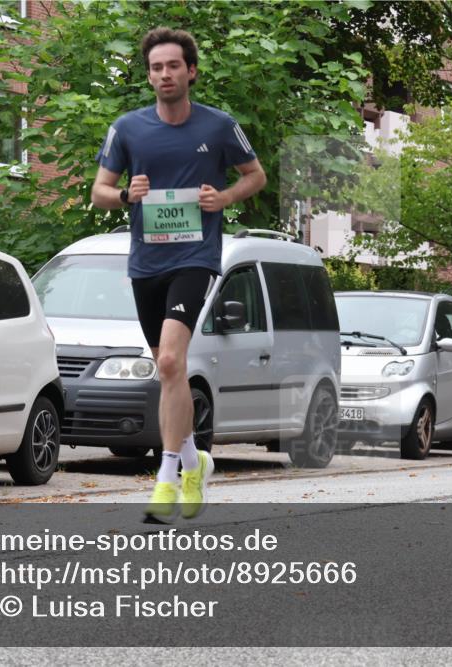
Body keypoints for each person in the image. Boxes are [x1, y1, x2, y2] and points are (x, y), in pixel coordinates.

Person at [91, 27, 267, 521]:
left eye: (173, 66)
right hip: (147, 264)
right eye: (156, 67)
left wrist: (225, 197)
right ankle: (196, 462)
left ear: (190, 71)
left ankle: (166, 477)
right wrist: (128, 195)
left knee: (170, 362)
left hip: (195, 258)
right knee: (168, 372)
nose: (164, 74)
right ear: (149, 75)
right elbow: (99, 190)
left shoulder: (217, 126)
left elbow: (255, 175)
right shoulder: (128, 128)